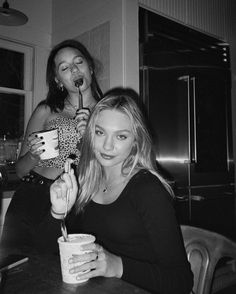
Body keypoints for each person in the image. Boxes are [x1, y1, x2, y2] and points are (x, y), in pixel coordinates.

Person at [35, 88, 193, 294]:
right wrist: (57, 211)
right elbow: (41, 251)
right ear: (90, 134)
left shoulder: (148, 190)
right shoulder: (85, 182)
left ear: (135, 142)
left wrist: (116, 266)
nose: (107, 146)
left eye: (121, 136)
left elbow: (181, 282)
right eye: (100, 133)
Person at [1, 39, 103, 251]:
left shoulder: (107, 114)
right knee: (16, 270)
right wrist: (35, 156)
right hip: (31, 197)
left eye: (79, 62)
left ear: (90, 68)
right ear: (58, 80)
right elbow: (20, 171)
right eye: (65, 67)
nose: (74, 69)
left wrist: (90, 138)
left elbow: (108, 172)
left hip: (74, 202)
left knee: (60, 273)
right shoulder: (46, 110)